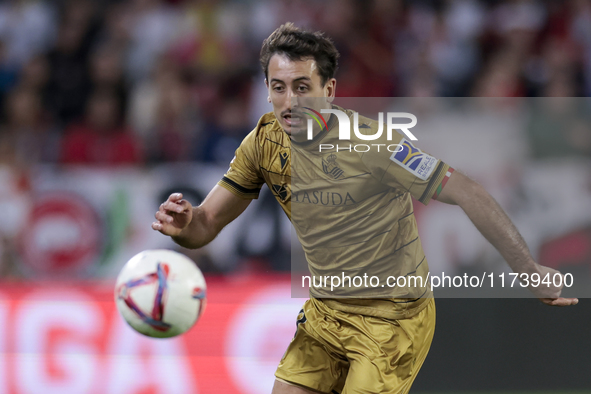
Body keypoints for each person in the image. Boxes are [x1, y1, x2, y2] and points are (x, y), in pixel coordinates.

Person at [152, 23, 578, 394]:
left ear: (329, 90)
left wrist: (528, 268)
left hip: (392, 318)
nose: (289, 101)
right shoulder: (262, 144)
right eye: (278, 87)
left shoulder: (375, 145)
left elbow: (466, 190)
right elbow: (206, 225)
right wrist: (185, 225)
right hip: (326, 312)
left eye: (302, 86)